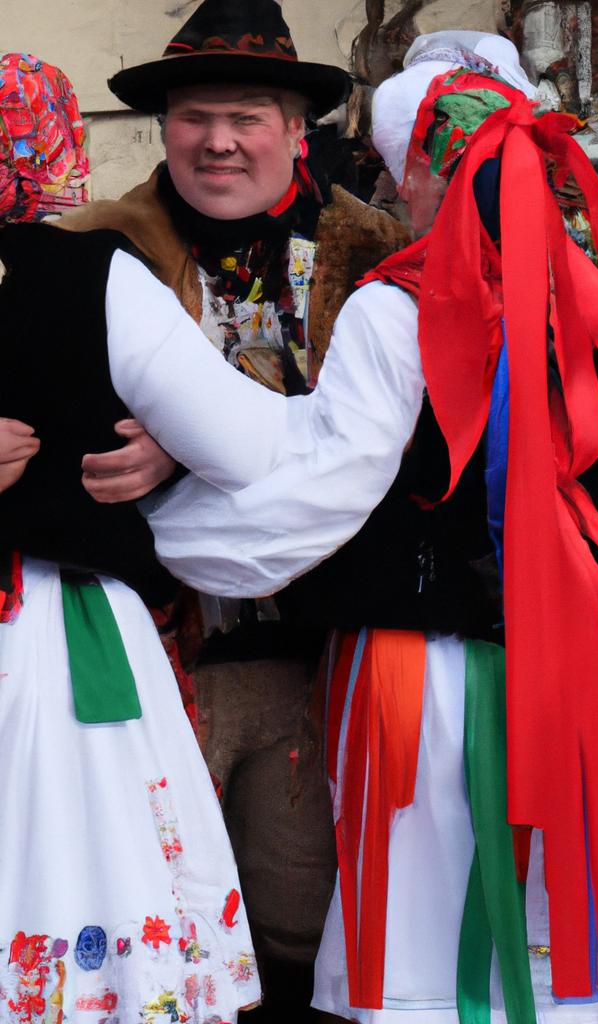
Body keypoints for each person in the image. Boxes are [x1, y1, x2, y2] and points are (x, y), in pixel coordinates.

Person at [144, 30, 598, 1024]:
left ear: (428, 169)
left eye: (401, 180)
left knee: (425, 953)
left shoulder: (398, 309)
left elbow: (320, 499)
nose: (394, 202)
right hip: (576, 671)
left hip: (422, 681)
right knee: (556, 949)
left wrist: (159, 536)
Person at [17, 2, 409, 1015]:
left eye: (245, 115)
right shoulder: (94, 248)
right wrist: (126, 444)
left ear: (294, 128)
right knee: (164, 928)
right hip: (155, 652)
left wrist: (188, 446)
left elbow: (414, 444)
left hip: (322, 656)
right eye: (194, 116)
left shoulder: (382, 259)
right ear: (163, 128)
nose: (218, 140)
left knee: (305, 928)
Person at [0, 54, 315, 1014]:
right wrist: (184, 443)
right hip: (47, 640)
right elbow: (256, 441)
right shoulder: (88, 274)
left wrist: (173, 453)